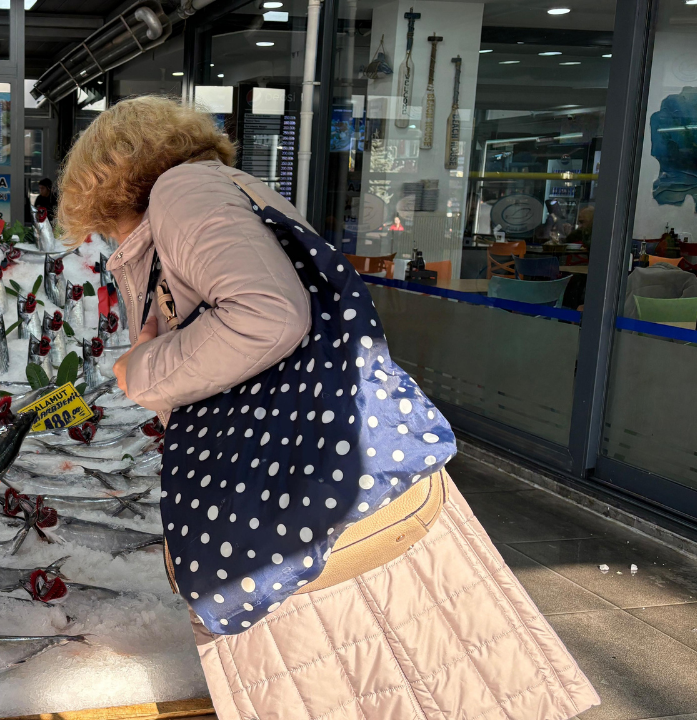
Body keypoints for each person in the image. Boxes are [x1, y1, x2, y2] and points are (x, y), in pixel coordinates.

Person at [57, 97, 599, 720]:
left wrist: (143, 369)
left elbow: (268, 316)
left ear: (104, 182)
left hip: (306, 506)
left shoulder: (182, 195)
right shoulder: (229, 189)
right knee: (444, 681)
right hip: (346, 479)